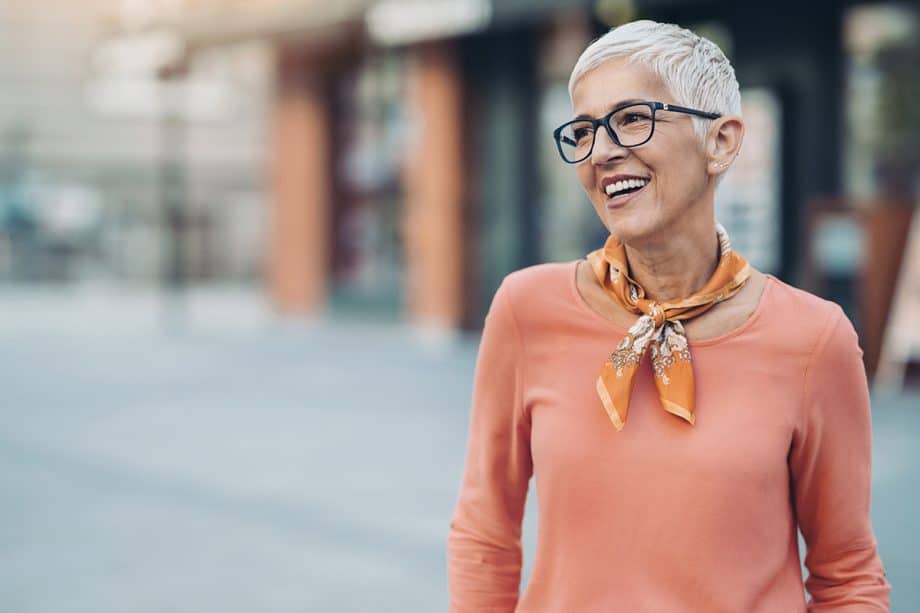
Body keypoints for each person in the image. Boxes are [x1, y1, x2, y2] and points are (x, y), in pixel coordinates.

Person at [446, 19, 891, 612]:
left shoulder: (814, 339)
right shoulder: (526, 310)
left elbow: (848, 577)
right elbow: (484, 538)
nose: (602, 152)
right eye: (583, 131)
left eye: (632, 118)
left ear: (723, 141)